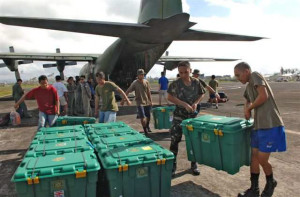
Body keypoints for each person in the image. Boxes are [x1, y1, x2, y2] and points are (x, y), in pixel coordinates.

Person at [234, 62, 286, 197]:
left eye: (238, 75)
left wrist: (249, 109)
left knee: (262, 159)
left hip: (270, 124)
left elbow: (263, 96)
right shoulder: (249, 86)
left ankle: (271, 182)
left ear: (246, 71)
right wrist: (247, 108)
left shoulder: (255, 76)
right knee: (254, 158)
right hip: (258, 125)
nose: (237, 78)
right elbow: (247, 98)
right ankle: (254, 189)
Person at [167, 61, 206, 177]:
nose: (183, 75)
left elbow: (202, 93)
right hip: (179, 116)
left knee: (193, 141)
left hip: (192, 117)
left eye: (185, 72)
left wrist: (195, 103)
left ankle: (194, 165)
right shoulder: (175, 84)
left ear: (190, 70)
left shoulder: (196, 82)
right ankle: (172, 166)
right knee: (175, 141)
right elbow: (169, 97)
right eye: (180, 72)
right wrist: (184, 104)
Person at [122, 69, 153, 134]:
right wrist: (123, 100)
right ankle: (145, 130)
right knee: (142, 117)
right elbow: (127, 91)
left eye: (143, 74)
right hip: (139, 102)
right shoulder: (135, 83)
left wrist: (151, 101)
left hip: (147, 102)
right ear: (138, 75)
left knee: (148, 116)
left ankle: (147, 126)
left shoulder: (146, 82)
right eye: (141, 75)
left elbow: (148, 92)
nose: (142, 76)